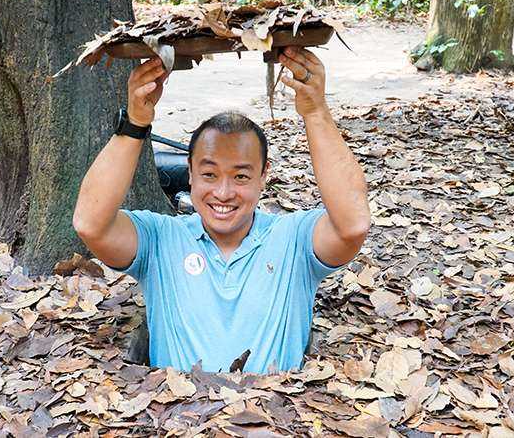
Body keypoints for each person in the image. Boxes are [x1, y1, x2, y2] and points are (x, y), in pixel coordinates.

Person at [73, 47, 371, 373]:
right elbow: (91, 223)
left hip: (275, 418)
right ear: (190, 172)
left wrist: (315, 112)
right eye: (209, 174)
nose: (224, 193)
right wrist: (135, 124)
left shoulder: (294, 240)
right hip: (176, 417)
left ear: (263, 175)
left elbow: (352, 224)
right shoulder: (160, 239)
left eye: (241, 176)